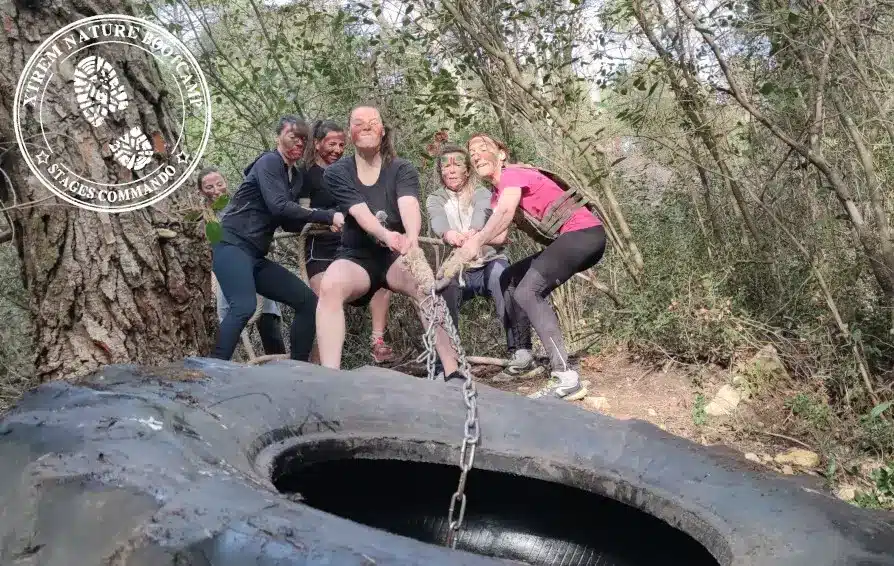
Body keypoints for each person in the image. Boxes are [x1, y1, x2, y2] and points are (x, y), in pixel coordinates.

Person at [316, 104, 462, 379]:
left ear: (383, 131)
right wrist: (387, 235)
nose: (367, 126)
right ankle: (330, 377)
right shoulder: (337, 172)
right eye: (359, 123)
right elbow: (360, 212)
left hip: (397, 255)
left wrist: (412, 240)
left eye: (373, 121)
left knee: (425, 285)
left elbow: (408, 204)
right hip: (358, 255)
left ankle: (453, 371)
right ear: (350, 133)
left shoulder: (401, 168)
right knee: (330, 286)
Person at [459, 133, 607, 401]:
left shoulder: (512, 175)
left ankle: (566, 377)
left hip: (584, 235)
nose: (477, 154)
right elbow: (501, 236)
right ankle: (523, 356)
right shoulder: (497, 195)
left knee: (527, 292)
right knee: (510, 278)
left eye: (484, 148)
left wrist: (478, 239)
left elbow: (504, 215)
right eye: (473, 152)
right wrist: (473, 239)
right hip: (575, 239)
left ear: (501, 155)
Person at [210, 115, 344, 361]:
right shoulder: (269, 162)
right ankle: (213, 370)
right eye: (293, 137)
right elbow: (279, 206)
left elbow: (289, 220)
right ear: (278, 137)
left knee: (308, 302)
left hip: (255, 255)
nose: (299, 144)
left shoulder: (295, 177)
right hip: (231, 244)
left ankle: (297, 368)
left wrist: (324, 219)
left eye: (304, 140)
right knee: (243, 306)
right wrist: (327, 215)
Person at [300, 119, 396, 364]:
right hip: (321, 248)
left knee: (382, 280)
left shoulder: (349, 170)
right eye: (331, 144)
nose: (337, 149)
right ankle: (319, 370)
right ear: (317, 144)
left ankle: (377, 342)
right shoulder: (308, 174)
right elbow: (300, 213)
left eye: (342, 144)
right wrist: (326, 219)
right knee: (326, 300)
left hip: (354, 246)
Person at [426, 144, 522, 375]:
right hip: (458, 267)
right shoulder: (435, 198)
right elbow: (437, 220)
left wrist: (473, 233)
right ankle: (447, 361)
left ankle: (520, 350)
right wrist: (450, 235)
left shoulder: (481, 192)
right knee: (441, 292)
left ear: (467, 170)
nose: (450, 171)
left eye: (456, 165)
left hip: (489, 260)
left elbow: (483, 211)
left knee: (504, 278)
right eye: (445, 167)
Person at [197, 166, 286, 356]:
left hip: (254, 264)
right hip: (229, 271)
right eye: (209, 187)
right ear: (201, 191)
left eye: (219, 184)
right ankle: (224, 364)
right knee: (231, 315)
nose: (215, 190)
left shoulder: (241, 203)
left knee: (268, 315)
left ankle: (281, 364)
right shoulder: (202, 217)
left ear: (226, 183)